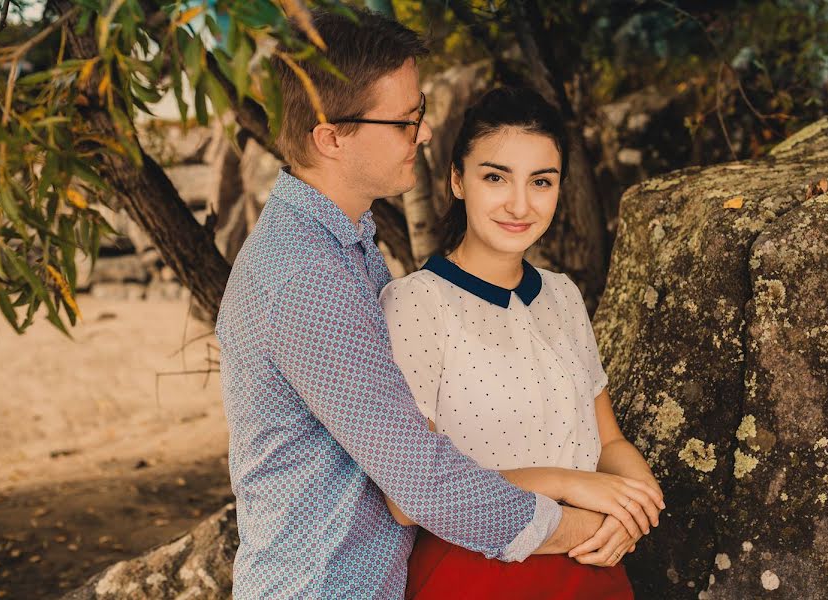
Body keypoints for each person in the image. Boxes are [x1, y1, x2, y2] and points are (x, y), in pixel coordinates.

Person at [215, 8, 662, 599]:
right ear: (331, 138)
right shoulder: (303, 277)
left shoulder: (347, 247)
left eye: (419, 114)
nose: (423, 133)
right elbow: (422, 482)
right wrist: (589, 522)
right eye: (406, 120)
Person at [378, 87, 665, 599]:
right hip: (477, 574)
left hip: (592, 568)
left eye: (541, 182)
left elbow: (610, 443)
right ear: (456, 180)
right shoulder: (416, 303)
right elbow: (409, 497)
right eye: (495, 177)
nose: (520, 204)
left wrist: (636, 507)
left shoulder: (562, 295)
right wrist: (566, 484)